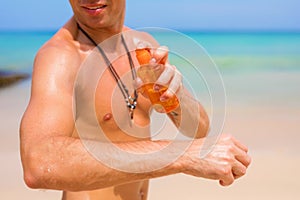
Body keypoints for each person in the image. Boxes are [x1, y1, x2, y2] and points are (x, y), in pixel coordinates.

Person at [20, 1, 251, 199]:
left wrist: (174, 97)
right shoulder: (61, 57)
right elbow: (38, 163)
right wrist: (183, 156)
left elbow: (198, 130)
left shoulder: (141, 44)